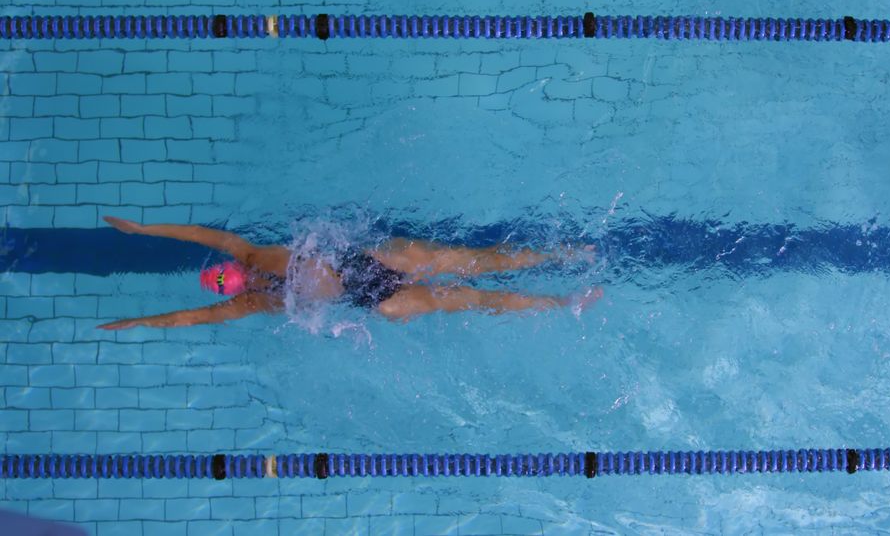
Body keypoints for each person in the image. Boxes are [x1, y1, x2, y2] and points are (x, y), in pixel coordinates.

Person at [97, 217, 602, 330]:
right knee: (471, 296)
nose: (240, 283)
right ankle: (563, 302)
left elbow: (199, 236)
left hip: (376, 266)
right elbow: (191, 318)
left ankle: (565, 256)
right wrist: (136, 323)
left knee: (484, 263)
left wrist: (144, 229)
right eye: (230, 287)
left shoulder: (250, 255)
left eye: (230, 276)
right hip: (374, 296)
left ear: (233, 269)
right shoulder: (246, 302)